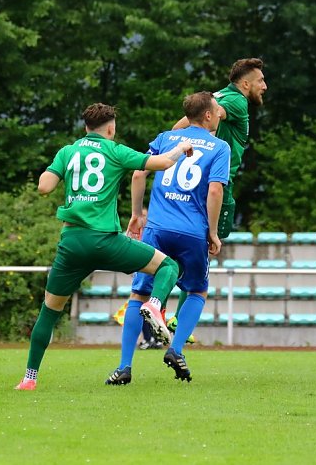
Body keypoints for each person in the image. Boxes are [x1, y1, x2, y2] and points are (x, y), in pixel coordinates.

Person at [16, 103, 192, 391]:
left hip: (72, 243)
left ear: (86, 127)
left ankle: (29, 378)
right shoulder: (115, 150)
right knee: (168, 265)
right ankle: (155, 305)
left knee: (49, 310)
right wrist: (181, 146)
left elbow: (44, 187)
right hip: (106, 241)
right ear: (110, 129)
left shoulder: (68, 151)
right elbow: (162, 163)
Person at [107, 92, 230, 385]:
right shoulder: (220, 147)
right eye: (217, 110)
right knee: (197, 291)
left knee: (138, 294)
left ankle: (124, 367)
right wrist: (213, 232)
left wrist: (136, 214)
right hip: (192, 231)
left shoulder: (166, 138)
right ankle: (175, 350)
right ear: (208, 115)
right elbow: (215, 190)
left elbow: (139, 174)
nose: (219, 114)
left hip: (157, 229)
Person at [169, 58, 266, 329]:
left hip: (192, 182)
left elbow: (179, 128)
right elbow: (216, 114)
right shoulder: (236, 101)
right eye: (260, 80)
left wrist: (190, 149)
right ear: (245, 83)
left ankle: (161, 307)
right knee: (202, 251)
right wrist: (209, 139)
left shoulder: (218, 94)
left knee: (185, 250)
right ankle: (177, 320)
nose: (264, 86)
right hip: (216, 183)